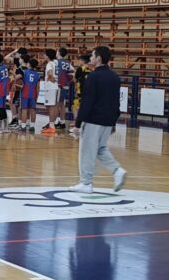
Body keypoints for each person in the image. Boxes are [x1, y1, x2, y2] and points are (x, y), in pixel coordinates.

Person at [70, 46, 127, 193]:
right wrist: (113, 121)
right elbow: (116, 101)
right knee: (100, 148)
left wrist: (78, 123)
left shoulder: (93, 76)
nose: (90, 58)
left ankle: (86, 183)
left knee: (87, 151)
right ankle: (117, 170)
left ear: (99, 58)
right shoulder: (114, 77)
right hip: (108, 119)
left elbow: (87, 102)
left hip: (93, 119)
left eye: (92, 56)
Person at [19, 59, 41, 133]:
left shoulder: (24, 72)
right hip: (33, 94)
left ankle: (23, 126)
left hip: (25, 93)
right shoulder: (37, 74)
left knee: (24, 110)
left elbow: (19, 80)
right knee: (33, 110)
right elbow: (38, 87)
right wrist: (37, 96)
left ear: (29, 64)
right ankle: (32, 126)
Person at [41, 49, 60, 135]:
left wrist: (51, 79)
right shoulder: (55, 63)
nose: (44, 56)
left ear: (47, 56)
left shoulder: (49, 64)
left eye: (44, 54)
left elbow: (50, 74)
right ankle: (52, 124)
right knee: (53, 106)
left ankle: (52, 126)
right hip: (55, 87)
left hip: (51, 87)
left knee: (51, 107)